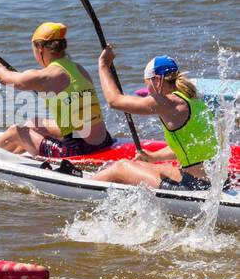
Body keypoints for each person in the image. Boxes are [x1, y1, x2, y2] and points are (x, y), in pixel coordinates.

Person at [0, 22, 113, 157]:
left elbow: (3, 77)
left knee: (16, 131)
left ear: (40, 48)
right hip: (105, 141)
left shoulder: (46, 76)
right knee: (34, 123)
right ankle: (17, 156)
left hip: (78, 151)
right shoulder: (79, 69)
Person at [90, 50, 219, 191]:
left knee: (121, 166)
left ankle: (81, 185)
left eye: (148, 84)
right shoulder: (195, 100)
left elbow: (114, 101)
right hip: (215, 181)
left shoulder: (165, 101)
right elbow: (188, 146)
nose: (148, 89)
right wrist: (152, 156)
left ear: (157, 80)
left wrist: (103, 65)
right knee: (151, 167)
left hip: (195, 187)